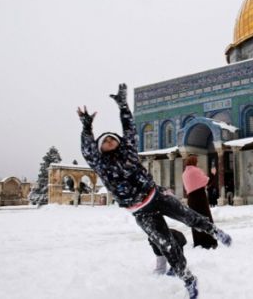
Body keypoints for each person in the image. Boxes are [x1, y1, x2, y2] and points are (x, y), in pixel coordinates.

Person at [77, 83, 232, 299]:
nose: (110, 141)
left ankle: (215, 232)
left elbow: (129, 128)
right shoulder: (101, 164)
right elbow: (87, 150)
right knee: (166, 243)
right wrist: (86, 128)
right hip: (141, 210)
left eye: (113, 138)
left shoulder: (129, 152)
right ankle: (187, 278)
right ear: (100, 147)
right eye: (106, 140)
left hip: (155, 195)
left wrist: (123, 106)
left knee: (189, 217)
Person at [182, 155, 218, 249]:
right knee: (206, 218)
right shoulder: (195, 170)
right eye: (197, 161)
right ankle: (209, 241)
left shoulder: (185, 173)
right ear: (194, 162)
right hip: (200, 197)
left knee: (195, 220)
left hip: (191, 199)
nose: (198, 163)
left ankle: (198, 241)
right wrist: (213, 174)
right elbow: (207, 182)